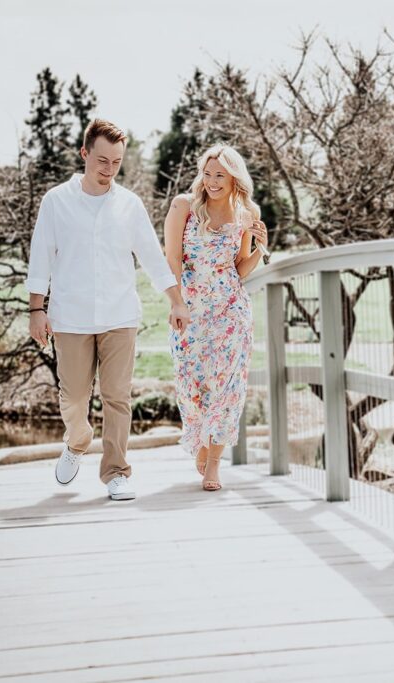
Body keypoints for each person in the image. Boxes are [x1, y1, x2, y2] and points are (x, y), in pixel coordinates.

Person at [26, 119, 190, 501]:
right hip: (71, 316)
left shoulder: (129, 205)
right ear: (84, 154)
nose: (108, 169)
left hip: (120, 315)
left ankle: (116, 471)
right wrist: (37, 309)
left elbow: (152, 257)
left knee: (117, 395)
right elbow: (40, 257)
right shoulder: (56, 201)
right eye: (102, 160)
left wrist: (176, 300)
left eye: (116, 162)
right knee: (74, 397)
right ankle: (77, 440)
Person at [164, 143, 268, 491]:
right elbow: (172, 259)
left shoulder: (246, 214)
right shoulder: (184, 206)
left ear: (234, 177)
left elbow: (240, 270)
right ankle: (201, 442)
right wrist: (176, 302)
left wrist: (256, 246)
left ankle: (214, 466)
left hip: (230, 312)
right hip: (190, 310)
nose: (211, 181)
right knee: (190, 385)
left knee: (227, 388)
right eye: (207, 174)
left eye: (219, 175)